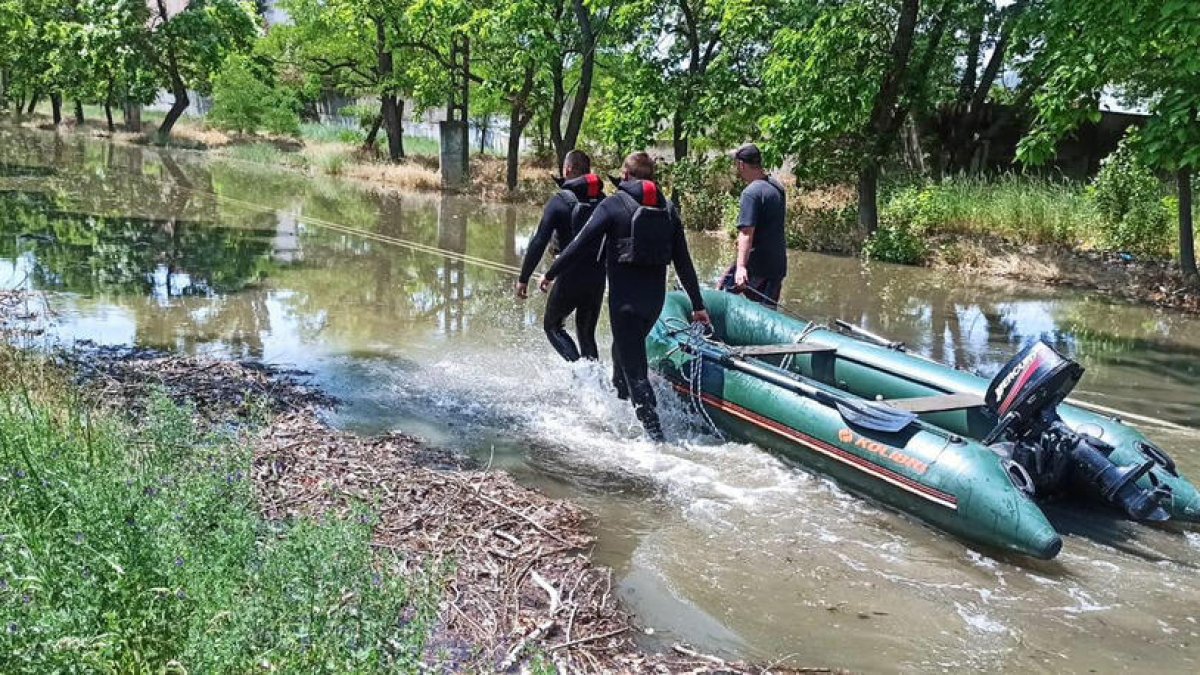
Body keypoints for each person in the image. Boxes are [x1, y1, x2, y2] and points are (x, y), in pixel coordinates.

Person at [540, 152, 710, 441]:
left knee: (635, 373)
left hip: (625, 306)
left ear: (626, 176)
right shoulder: (669, 210)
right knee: (621, 356)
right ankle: (619, 415)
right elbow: (684, 263)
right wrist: (697, 305)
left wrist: (552, 272)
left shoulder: (613, 205)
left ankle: (657, 442)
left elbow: (580, 244)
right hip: (653, 305)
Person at [516, 150, 606, 361]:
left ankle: (581, 375)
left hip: (569, 274)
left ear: (567, 170)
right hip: (598, 276)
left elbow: (539, 241)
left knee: (552, 327)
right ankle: (596, 382)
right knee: (586, 334)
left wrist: (524, 278)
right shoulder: (604, 201)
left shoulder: (560, 201)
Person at [718, 143, 787, 307]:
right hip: (777, 265)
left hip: (755, 266)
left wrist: (741, 267)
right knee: (768, 313)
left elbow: (746, 233)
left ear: (741, 165)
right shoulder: (777, 187)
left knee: (719, 298)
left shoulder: (751, 193)